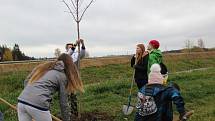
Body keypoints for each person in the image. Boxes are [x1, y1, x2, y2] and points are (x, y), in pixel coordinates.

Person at [17, 53, 84, 121]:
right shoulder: (62, 76)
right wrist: (66, 119)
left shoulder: (44, 68)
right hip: (38, 104)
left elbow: (26, 81)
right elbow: (63, 103)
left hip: (22, 102)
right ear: (69, 65)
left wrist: (29, 98)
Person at [65, 39, 86, 118]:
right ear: (67, 49)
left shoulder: (76, 55)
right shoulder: (65, 55)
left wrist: (82, 44)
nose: (71, 48)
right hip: (66, 78)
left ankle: (75, 112)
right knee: (67, 95)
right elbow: (68, 54)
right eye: (69, 47)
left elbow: (83, 54)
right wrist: (75, 44)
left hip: (74, 78)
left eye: (72, 47)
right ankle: (68, 113)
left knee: (74, 95)